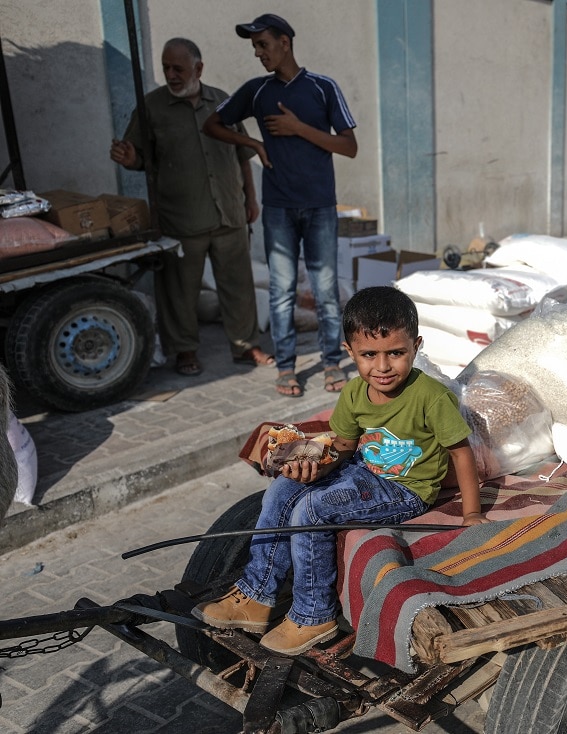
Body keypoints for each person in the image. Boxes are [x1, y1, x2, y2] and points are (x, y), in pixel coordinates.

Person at [193, 286, 487, 655]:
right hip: (367, 469)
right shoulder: (352, 394)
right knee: (284, 491)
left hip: (406, 488)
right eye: (369, 355)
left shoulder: (430, 396)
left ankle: (314, 613)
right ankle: (256, 595)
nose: (382, 367)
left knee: (313, 510)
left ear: (416, 345)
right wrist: (312, 467)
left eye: (396, 353)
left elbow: (461, 454)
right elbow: (345, 447)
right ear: (350, 352)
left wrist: (472, 513)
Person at [203, 14, 358, 398]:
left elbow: (349, 147)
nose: (258, 53)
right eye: (254, 47)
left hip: (320, 206)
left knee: (324, 289)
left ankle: (331, 362)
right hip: (278, 209)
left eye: (263, 45)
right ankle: (286, 367)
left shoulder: (323, 88)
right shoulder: (256, 91)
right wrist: (253, 145)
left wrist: (298, 128)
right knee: (282, 290)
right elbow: (213, 124)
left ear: (285, 43)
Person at [110, 38, 273, 377]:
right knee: (180, 291)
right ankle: (185, 350)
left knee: (238, 285)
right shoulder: (152, 108)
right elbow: (139, 158)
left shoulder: (223, 103)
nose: (171, 74)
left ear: (198, 69)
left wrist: (251, 199)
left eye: (178, 68)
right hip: (181, 219)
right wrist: (129, 159)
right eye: (166, 67)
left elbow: (243, 155)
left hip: (228, 212)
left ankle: (246, 345)